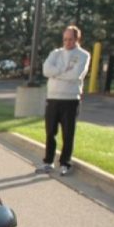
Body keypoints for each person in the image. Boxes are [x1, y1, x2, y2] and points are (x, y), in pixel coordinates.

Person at [36, 26, 91, 176]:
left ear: (77, 39)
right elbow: (46, 70)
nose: (67, 42)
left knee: (68, 134)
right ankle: (48, 162)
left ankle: (65, 163)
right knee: (50, 133)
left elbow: (76, 75)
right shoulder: (56, 53)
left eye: (70, 39)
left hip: (70, 99)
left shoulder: (83, 55)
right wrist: (63, 70)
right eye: (65, 39)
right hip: (53, 98)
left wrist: (56, 73)